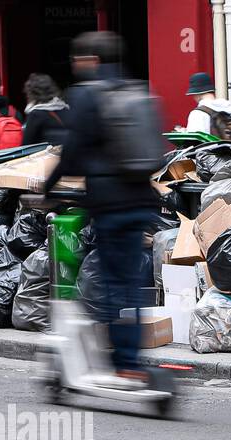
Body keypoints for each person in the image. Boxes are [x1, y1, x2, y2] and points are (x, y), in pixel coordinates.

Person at [44, 31, 160, 389]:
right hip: (140, 200)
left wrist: (49, 187)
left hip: (109, 205)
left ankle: (123, 363)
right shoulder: (136, 91)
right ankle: (129, 361)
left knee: (113, 287)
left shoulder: (87, 96)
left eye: (78, 60)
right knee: (128, 285)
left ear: (91, 60)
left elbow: (74, 153)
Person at [183, 72, 231, 141]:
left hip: (209, 151)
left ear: (196, 94)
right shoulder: (227, 109)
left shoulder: (198, 113)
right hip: (228, 151)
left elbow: (193, 141)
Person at [22, 73, 70, 147]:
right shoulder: (65, 108)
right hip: (66, 155)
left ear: (32, 93)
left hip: (47, 156)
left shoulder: (36, 114)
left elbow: (26, 145)